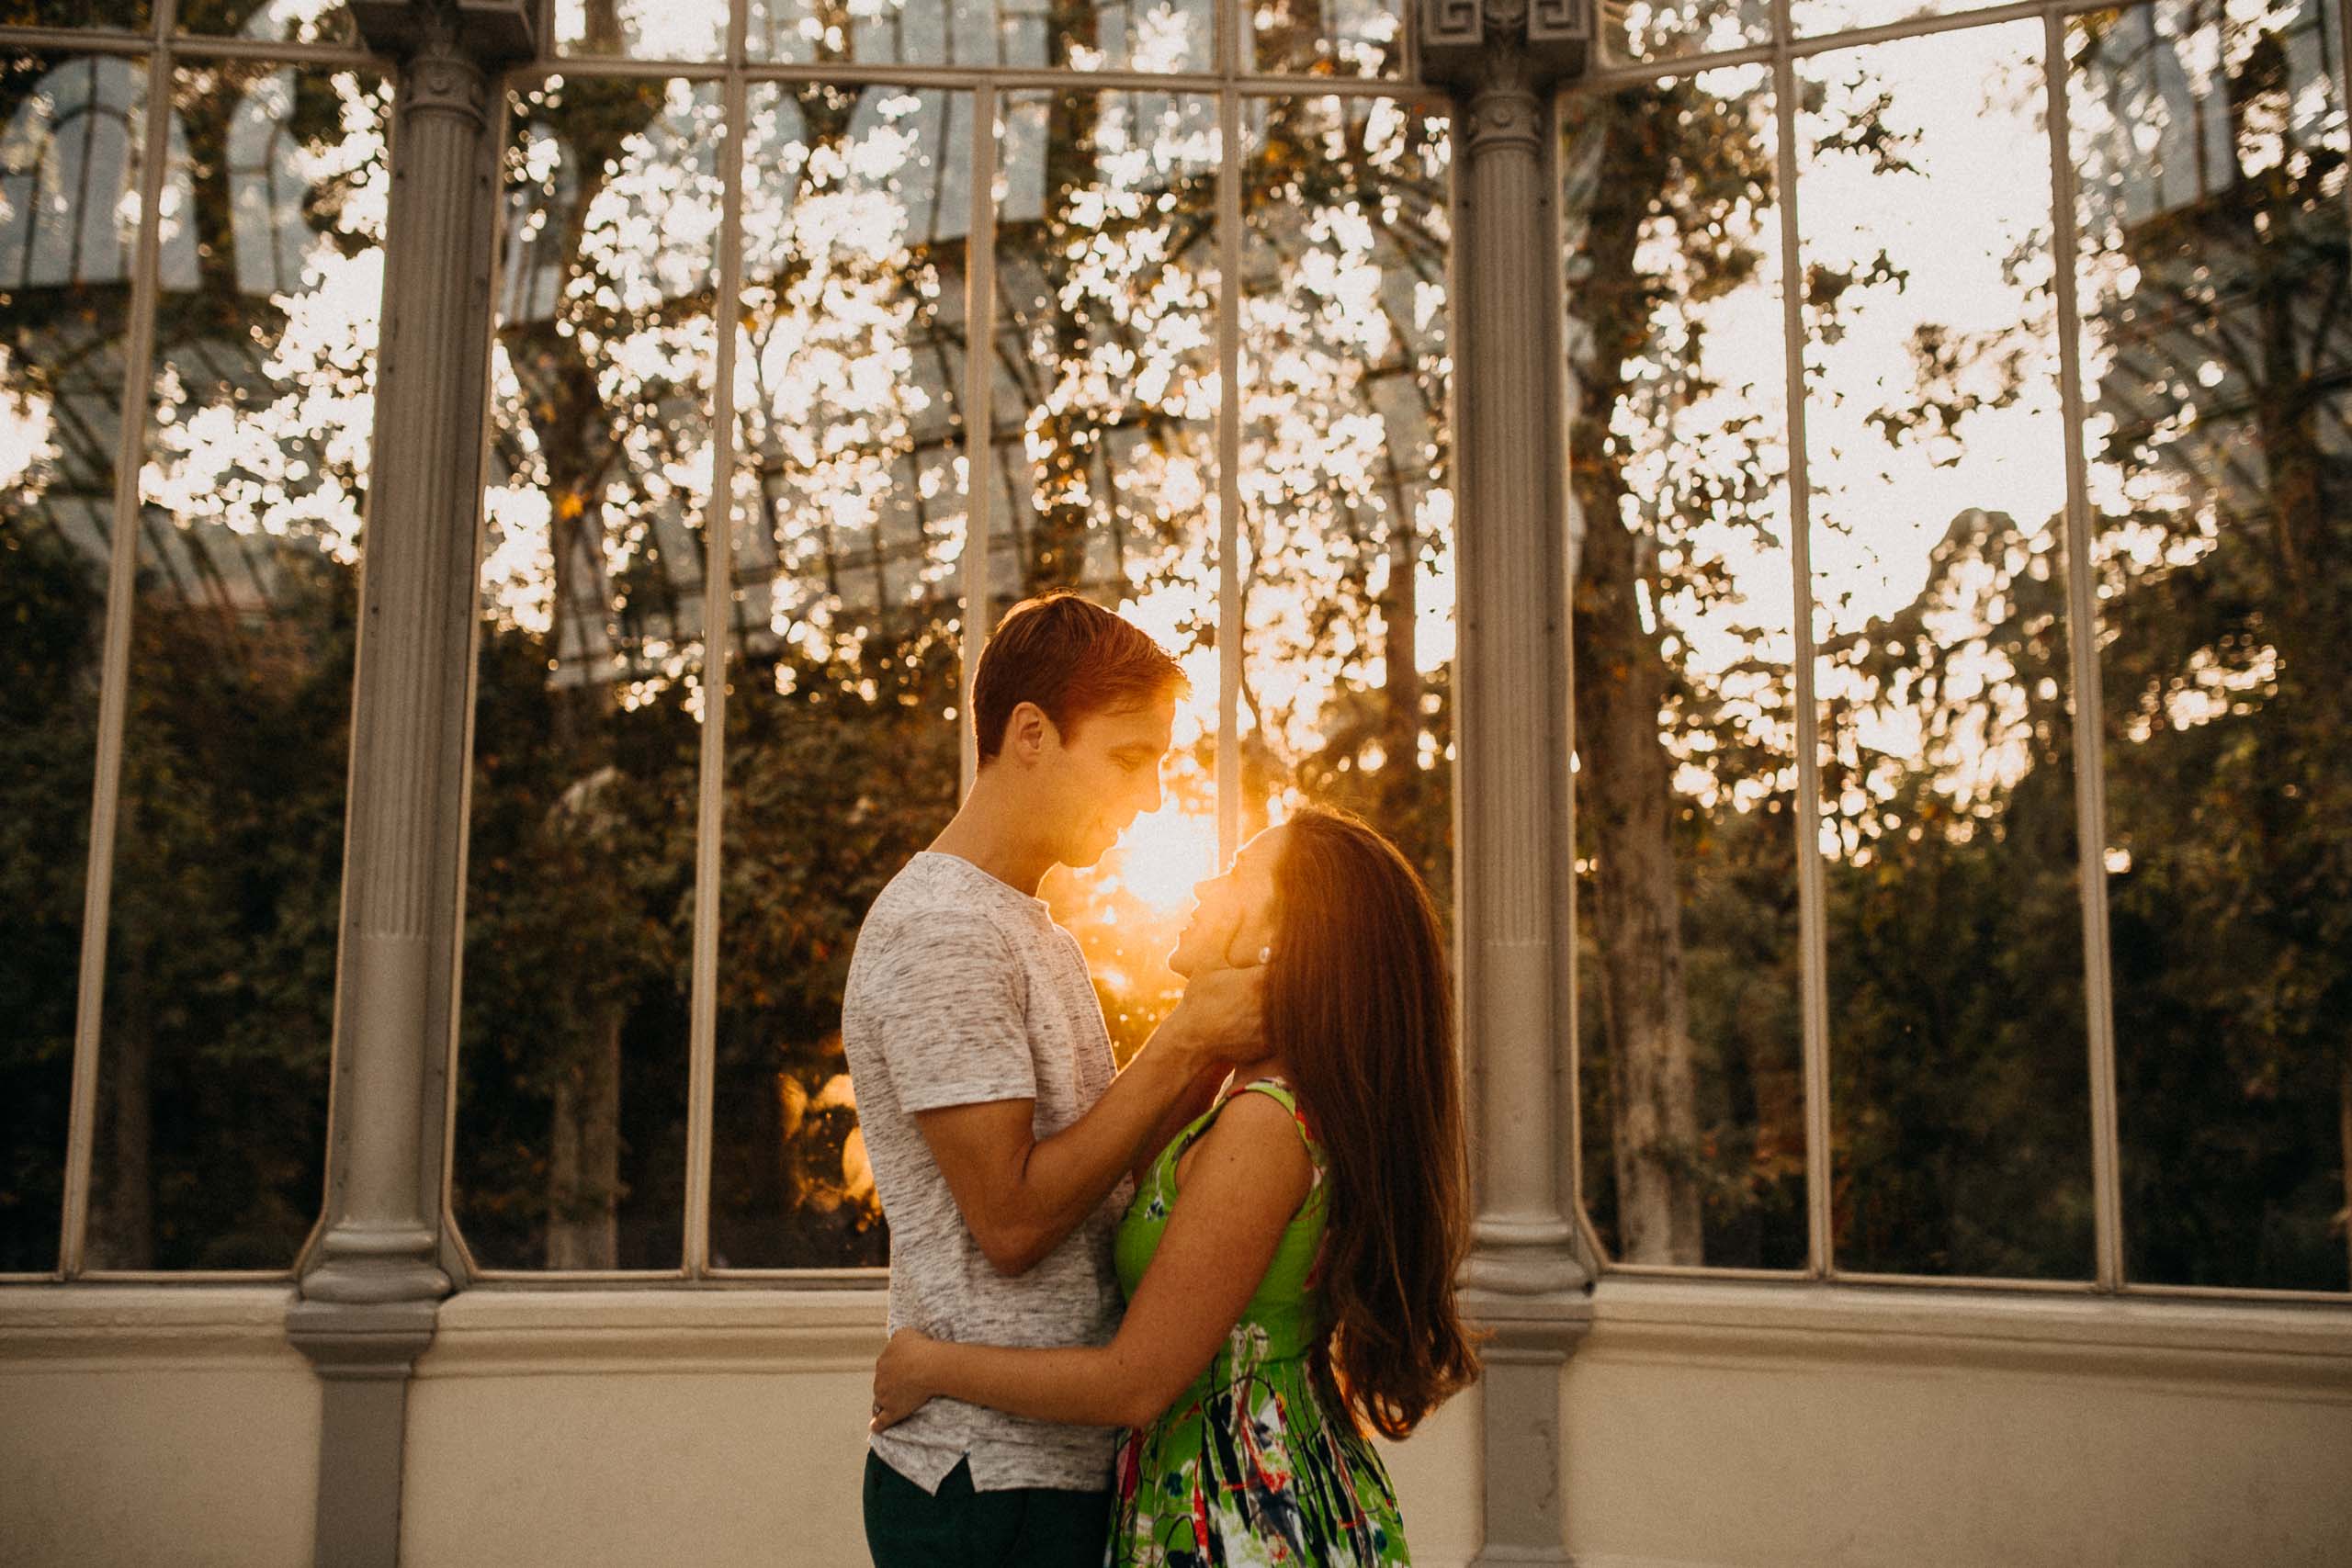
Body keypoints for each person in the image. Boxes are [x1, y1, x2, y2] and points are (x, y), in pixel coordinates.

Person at [871, 806, 1480, 1566]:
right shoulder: (1239, 1089)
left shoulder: (1264, 1124)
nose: (1202, 883)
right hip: (1220, 1492)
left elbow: (1135, 1382)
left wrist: (932, 1365)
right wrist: (1197, 1033)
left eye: (1236, 875)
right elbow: (1115, 1183)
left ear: (1282, 936)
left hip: (1240, 1515)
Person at [842, 591, 1261, 1568]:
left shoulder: (1030, 928)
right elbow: (1015, 1223)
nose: (1152, 794)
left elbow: (1100, 1184)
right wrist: (1182, 1040)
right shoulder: (945, 931)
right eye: (1130, 756)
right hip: (986, 1480)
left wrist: (1210, 1052)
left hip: (1054, 1468)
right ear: (1030, 733)